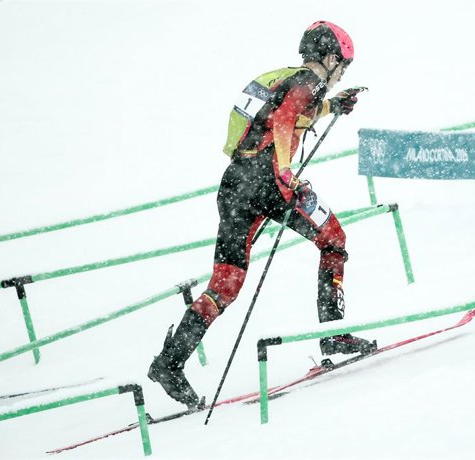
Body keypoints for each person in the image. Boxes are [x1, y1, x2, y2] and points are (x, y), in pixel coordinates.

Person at [148, 21, 376, 408]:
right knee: (334, 240)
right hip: (270, 180)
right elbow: (285, 121)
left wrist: (332, 108)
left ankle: (170, 363)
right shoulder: (310, 80)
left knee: (226, 283)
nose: (341, 75)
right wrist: (287, 173)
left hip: (236, 183)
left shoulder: (287, 78)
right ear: (332, 58)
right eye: (344, 66)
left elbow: (286, 111)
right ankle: (335, 333)